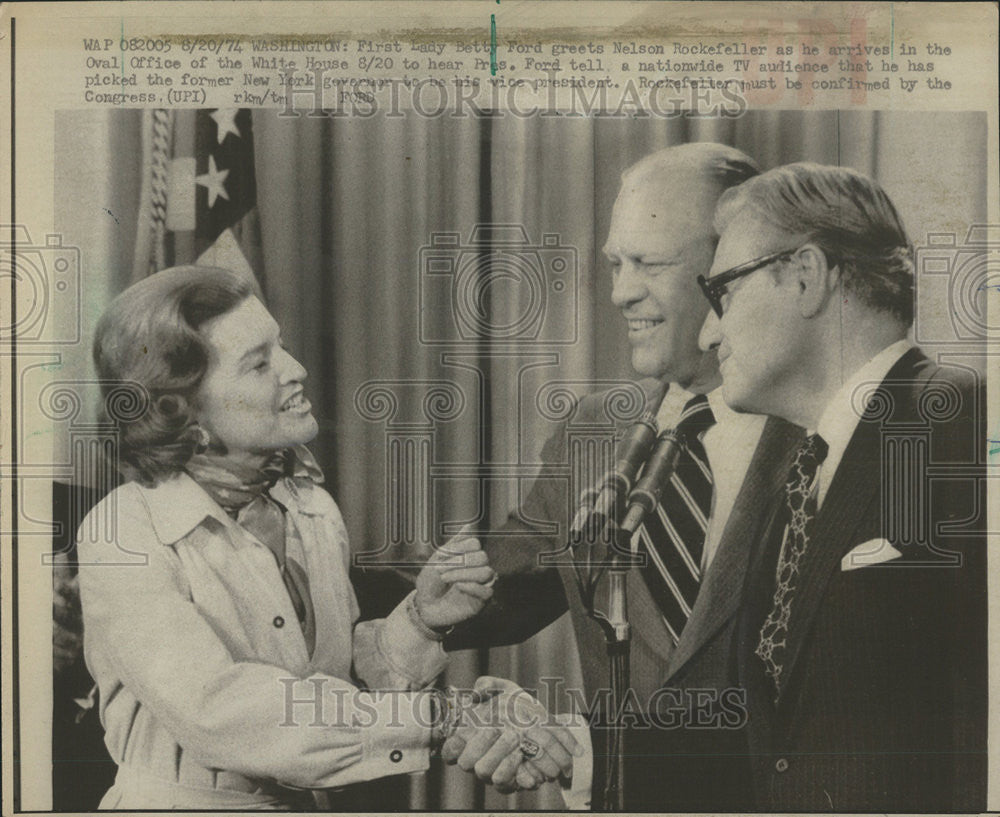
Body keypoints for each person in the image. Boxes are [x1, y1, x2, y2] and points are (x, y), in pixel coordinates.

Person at [77, 265, 581, 809]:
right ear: (184, 411)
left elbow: (332, 689)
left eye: (281, 347)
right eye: (259, 364)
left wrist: (419, 621)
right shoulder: (121, 533)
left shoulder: (310, 506)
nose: (296, 371)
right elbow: (224, 712)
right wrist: (441, 718)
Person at [445, 143, 804, 809]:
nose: (619, 292)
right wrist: (304, 580)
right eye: (615, 263)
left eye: (650, 262)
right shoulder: (594, 429)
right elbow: (498, 582)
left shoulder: (829, 430)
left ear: (733, 266)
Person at [697, 162, 987, 810]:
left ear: (805, 276)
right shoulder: (793, 487)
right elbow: (774, 751)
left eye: (722, 293)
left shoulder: (959, 420)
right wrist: (578, 744)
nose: (706, 333)